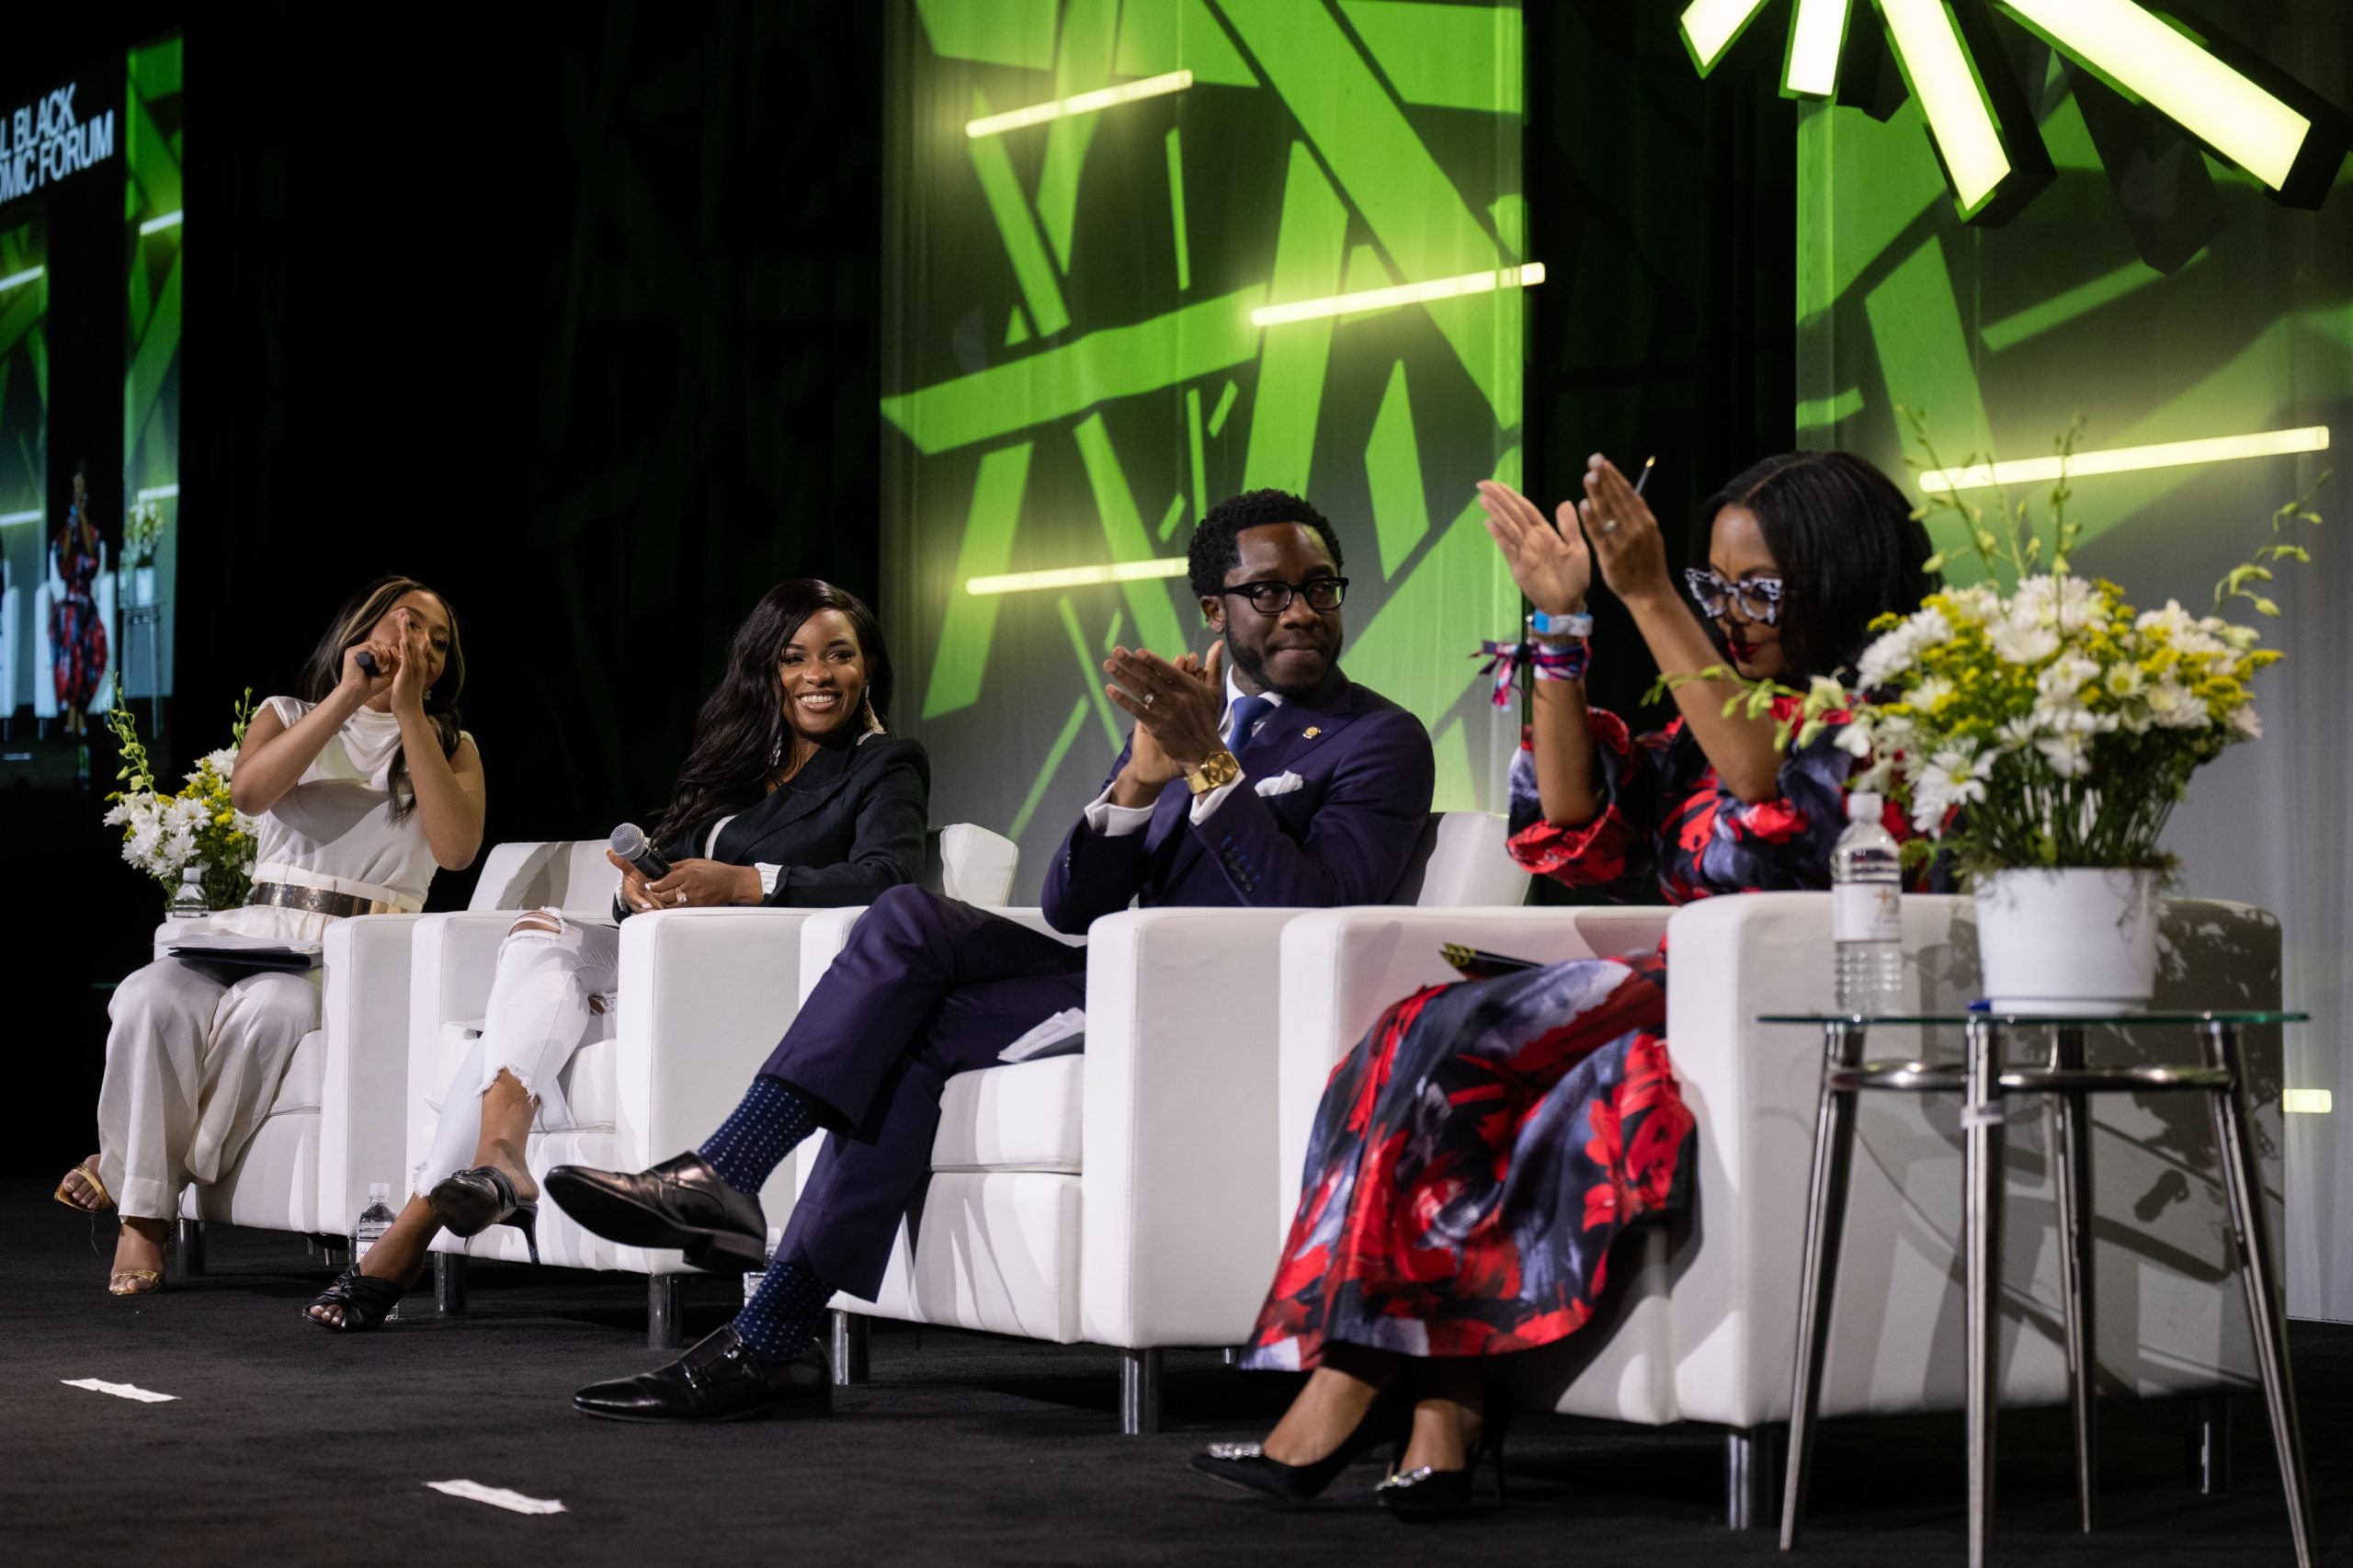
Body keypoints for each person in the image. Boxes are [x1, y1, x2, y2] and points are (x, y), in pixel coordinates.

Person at [546, 488, 1438, 1422]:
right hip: (1119, 977)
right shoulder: (1188, 719)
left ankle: (761, 1315)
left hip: (1220, 1005)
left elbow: (1317, 912)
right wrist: (1140, 774)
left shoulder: (1377, 738)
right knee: (906, 915)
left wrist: (1210, 763)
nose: (1300, 608)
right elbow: (1072, 902)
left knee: (907, 1034)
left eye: (1319, 586)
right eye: (1270, 591)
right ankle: (735, 1201)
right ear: (1214, 609)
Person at [1194, 451, 1936, 1517]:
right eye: (1713, 587)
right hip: (1685, 998)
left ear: (1842, 575)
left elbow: (1767, 781)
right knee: (1423, 1034)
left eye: (1757, 588)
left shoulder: (1899, 719)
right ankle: (1443, 1408)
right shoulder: (1711, 712)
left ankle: (1354, 1377)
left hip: (1795, 1010)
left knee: (1444, 1026)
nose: (1731, 613)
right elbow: (1574, 832)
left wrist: (1647, 593)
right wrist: (1560, 630)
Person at [305, 580, 930, 1330]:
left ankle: (416, 1227)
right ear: (769, 669)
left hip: (763, 978)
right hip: (668, 964)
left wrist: (745, 881)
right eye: (795, 659)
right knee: (541, 936)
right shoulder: (741, 760)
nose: (817, 675)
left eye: (838, 657)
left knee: (499, 1036)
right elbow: (670, 867)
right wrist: (639, 891)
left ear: (867, 670)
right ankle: (498, 1155)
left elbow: (887, 877)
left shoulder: (885, 763)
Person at [54, 576, 485, 1295]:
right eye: (408, 625)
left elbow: (456, 850)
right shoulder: (288, 713)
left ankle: (138, 1203)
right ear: (363, 628)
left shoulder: (450, 743)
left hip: (353, 951)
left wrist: (407, 712)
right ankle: (141, 1202)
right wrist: (350, 696)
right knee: (146, 997)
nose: (423, 647)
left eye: (439, 642)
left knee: (274, 1012)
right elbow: (250, 794)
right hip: (256, 927)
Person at [51, 460, 109, 738]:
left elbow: (91, 555)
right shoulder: (62, 535)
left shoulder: (93, 533)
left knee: (90, 647)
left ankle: (77, 711)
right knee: (70, 642)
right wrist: (71, 523)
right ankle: (75, 712)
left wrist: (81, 514)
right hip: (68, 609)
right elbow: (63, 565)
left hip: (86, 606)